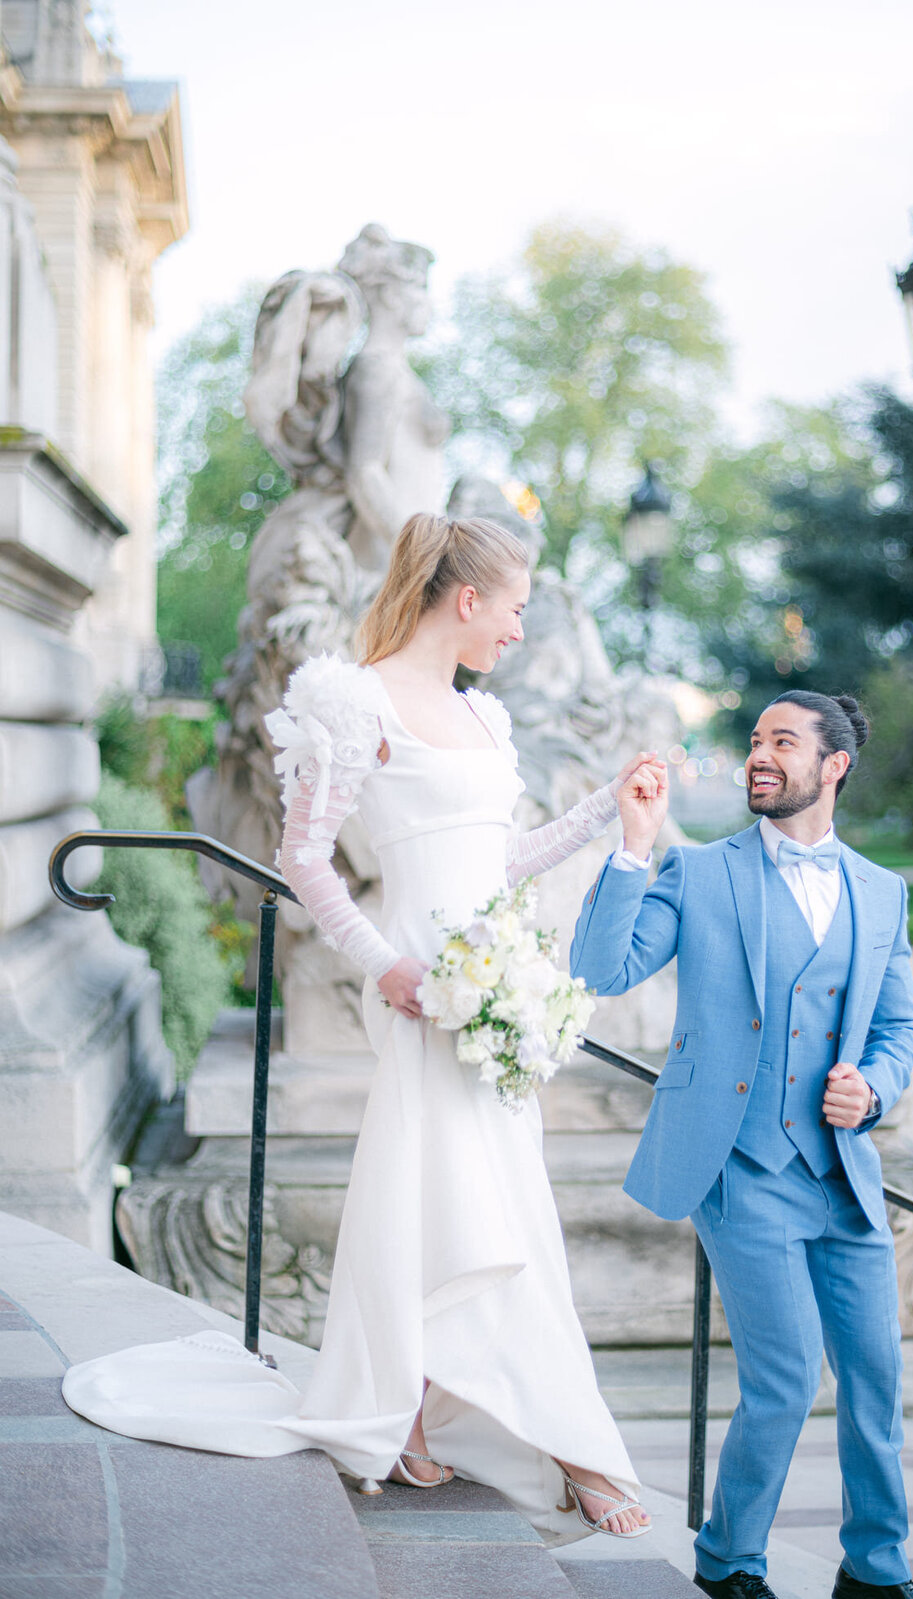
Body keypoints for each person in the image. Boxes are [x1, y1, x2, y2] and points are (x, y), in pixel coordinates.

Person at [63, 512, 667, 1545]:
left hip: (495, 998)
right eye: (515, 610)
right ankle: (575, 1450)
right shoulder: (353, 700)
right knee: (481, 1211)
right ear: (467, 600)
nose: (521, 632)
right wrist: (384, 963)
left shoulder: (486, 719)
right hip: (423, 992)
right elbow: (306, 859)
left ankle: (417, 1415)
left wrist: (607, 810)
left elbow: (504, 859)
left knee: (476, 1205)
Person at [570, 691, 913, 1599]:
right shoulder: (700, 874)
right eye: (755, 740)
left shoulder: (881, 891)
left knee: (877, 1379)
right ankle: (730, 1561)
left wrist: (874, 1084)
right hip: (742, 1166)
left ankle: (876, 1572)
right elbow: (599, 971)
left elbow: (901, 1027)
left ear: (834, 763)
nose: (759, 756)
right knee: (784, 1374)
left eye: (783, 741)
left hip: (843, 1174)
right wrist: (635, 845)